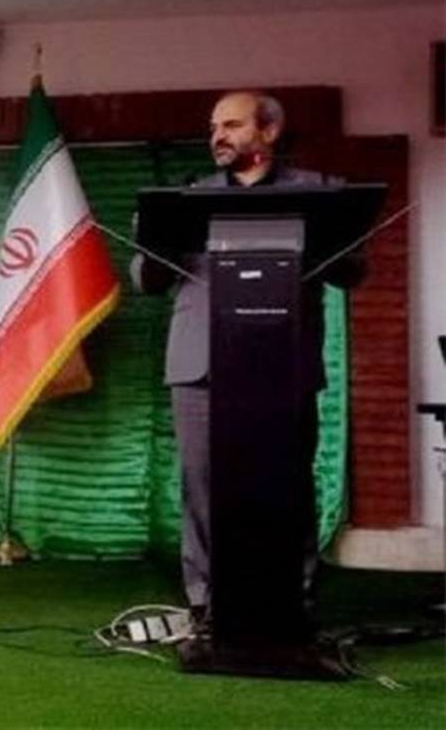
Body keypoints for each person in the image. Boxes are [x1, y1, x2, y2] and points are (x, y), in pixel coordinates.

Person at [130, 91, 365, 634]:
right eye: (214, 127)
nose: (219, 136)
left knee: (288, 483)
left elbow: (353, 272)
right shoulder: (187, 197)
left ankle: (293, 601)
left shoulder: (317, 192)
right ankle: (205, 603)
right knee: (201, 485)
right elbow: (144, 279)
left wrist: (328, 237)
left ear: (269, 131)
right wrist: (157, 239)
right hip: (199, 367)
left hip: (283, 363)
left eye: (232, 125)